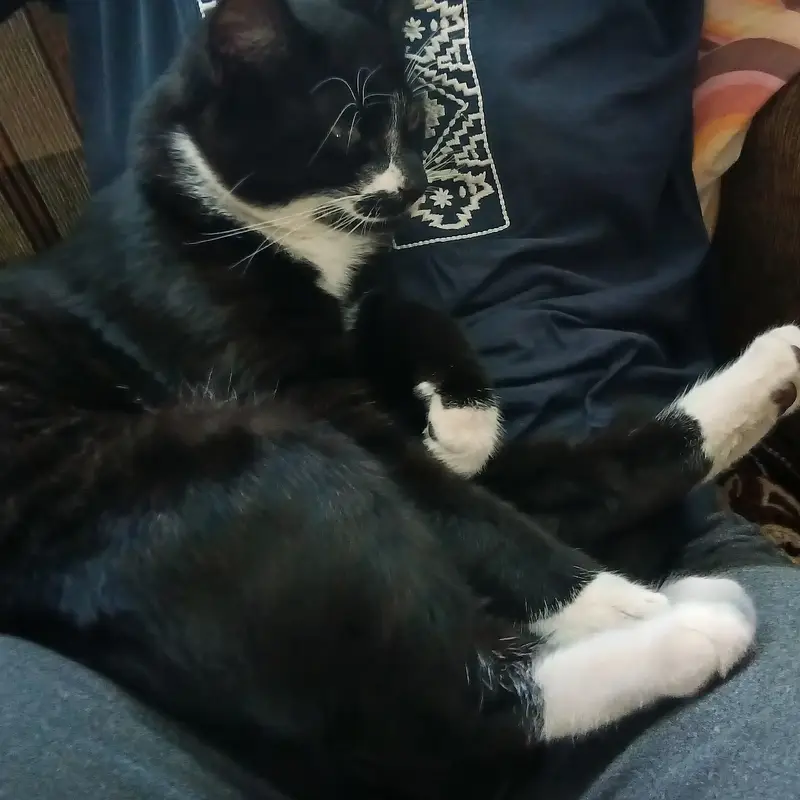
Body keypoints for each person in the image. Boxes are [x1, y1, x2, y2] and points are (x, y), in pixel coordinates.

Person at [0, 1, 797, 798]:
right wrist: (585, 603)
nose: (405, 180)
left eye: (410, 135)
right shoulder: (185, 235)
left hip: (545, 526)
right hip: (147, 630)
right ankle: (506, 695)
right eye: (354, 144)